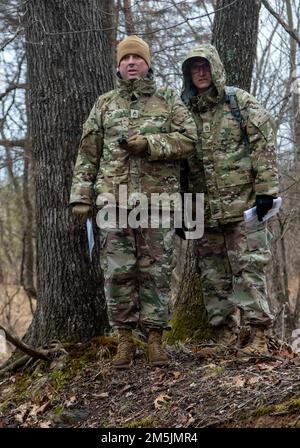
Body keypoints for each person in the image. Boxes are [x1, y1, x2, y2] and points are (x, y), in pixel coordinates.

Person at [69, 35, 197, 368]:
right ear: (118, 65)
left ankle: (155, 342)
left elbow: (189, 140)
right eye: (125, 59)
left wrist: (151, 144)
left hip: (158, 203)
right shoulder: (104, 104)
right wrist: (80, 197)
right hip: (114, 202)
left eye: (137, 59)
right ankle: (124, 342)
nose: (130, 63)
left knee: (156, 273)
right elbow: (87, 154)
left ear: (147, 63)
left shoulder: (168, 99)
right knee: (117, 273)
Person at [181, 44, 279, 354]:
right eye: (194, 67)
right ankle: (224, 337)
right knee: (213, 276)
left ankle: (259, 336)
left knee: (249, 270)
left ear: (216, 68)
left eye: (205, 65)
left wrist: (266, 191)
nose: (200, 71)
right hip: (204, 210)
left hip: (244, 206)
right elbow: (180, 166)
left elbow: (263, 143)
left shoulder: (238, 102)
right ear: (188, 73)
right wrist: (183, 211)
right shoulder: (184, 112)